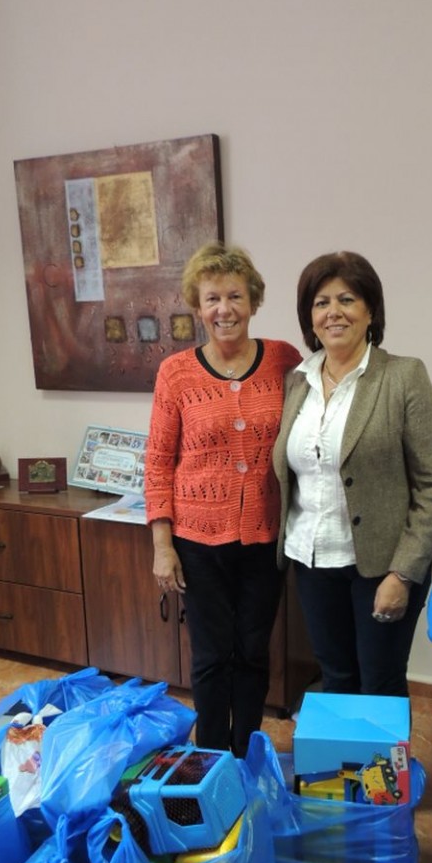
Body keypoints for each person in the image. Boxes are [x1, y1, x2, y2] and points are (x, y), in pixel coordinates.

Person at [145, 242, 302, 756]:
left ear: (253, 301)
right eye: (212, 298)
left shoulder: (284, 360)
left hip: (265, 536)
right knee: (212, 656)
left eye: (234, 296)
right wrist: (162, 544)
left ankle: (247, 751)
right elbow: (158, 460)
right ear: (197, 306)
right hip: (197, 541)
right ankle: (212, 758)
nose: (224, 309)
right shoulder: (176, 373)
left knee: (253, 652)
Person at [273, 250, 432, 698]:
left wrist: (403, 574)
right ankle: (347, 772)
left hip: (382, 566)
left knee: (380, 683)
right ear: (309, 317)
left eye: (347, 299)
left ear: (370, 310)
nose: (333, 312)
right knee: (336, 679)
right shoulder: (298, 382)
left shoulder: (403, 377)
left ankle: (386, 772)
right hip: (312, 561)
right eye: (321, 302)